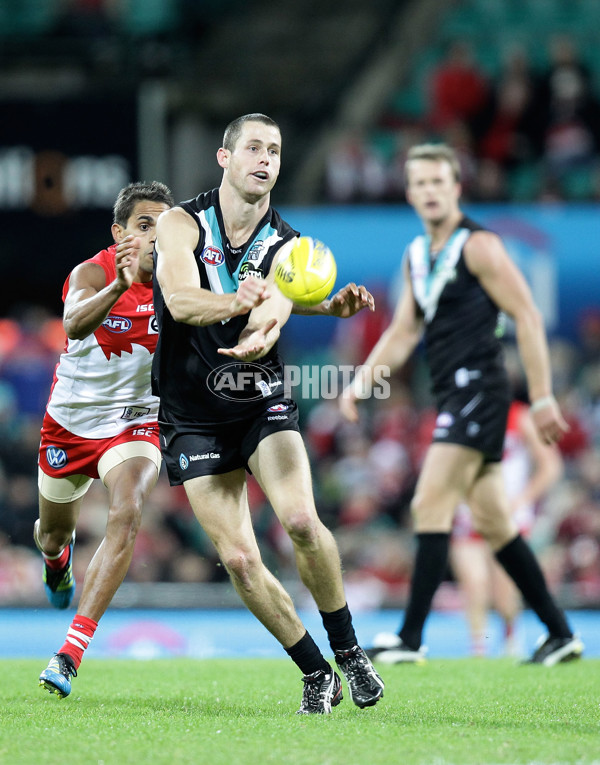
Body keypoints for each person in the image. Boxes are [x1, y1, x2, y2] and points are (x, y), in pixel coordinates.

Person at [152, 112, 384, 714]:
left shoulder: (290, 246)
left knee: (303, 522)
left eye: (275, 151)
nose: (266, 159)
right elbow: (178, 301)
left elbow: (276, 306)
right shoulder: (180, 223)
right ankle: (315, 670)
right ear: (225, 158)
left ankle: (351, 653)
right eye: (253, 147)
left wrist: (272, 325)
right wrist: (236, 301)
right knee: (238, 558)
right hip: (190, 412)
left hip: (258, 397)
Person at [339, 142, 584, 667]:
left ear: (456, 188)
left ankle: (409, 638)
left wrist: (541, 398)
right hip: (455, 391)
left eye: (438, 182)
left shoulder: (480, 246)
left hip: (481, 389)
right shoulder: (415, 255)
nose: (429, 191)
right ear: (408, 193)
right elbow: (404, 332)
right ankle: (561, 633)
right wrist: (361, 383)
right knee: (495, 523)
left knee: (430, 504)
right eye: (419, 183)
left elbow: (530, 318)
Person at [36, 181, 175, 698]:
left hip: (134, 420)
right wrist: (118, 286)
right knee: (53, 535)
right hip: (69, 424)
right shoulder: (91, 272)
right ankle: (56, 562)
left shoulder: (178, 282)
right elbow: (72, 324)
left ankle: (70, 654)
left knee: (129, 507)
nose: (155, 237)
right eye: (144, 226)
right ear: (119, 233)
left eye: (164, 226)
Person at [450, 397, 564, 657]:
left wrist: (523, 500)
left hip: (507, 514)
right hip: (468, 513)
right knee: (474, 582)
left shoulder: (519, 416)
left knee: (505, 590)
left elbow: (550, 465)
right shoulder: (460, 412)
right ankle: (478, 650)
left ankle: (511, 640)